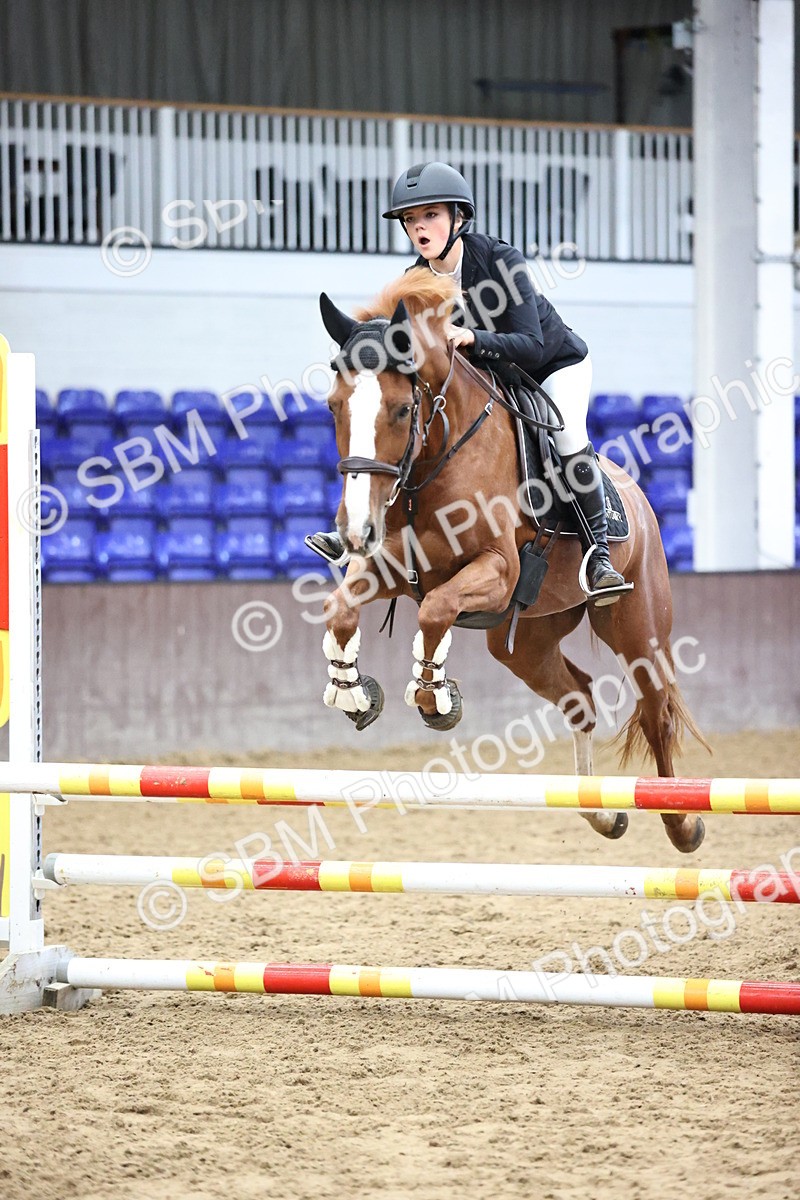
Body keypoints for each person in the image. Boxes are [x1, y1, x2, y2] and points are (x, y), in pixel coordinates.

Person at [308, 161, 630, 603]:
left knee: (569, 436)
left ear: (458, 217)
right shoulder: (413, 281)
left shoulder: (501, 261)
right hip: (492, 378)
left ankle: (599, 555)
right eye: (410, 220)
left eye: (430, 216)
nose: (419, 228)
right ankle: (361, 527)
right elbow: (400, 355)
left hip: (552, 366)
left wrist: (474, 337)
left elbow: (533, 345)